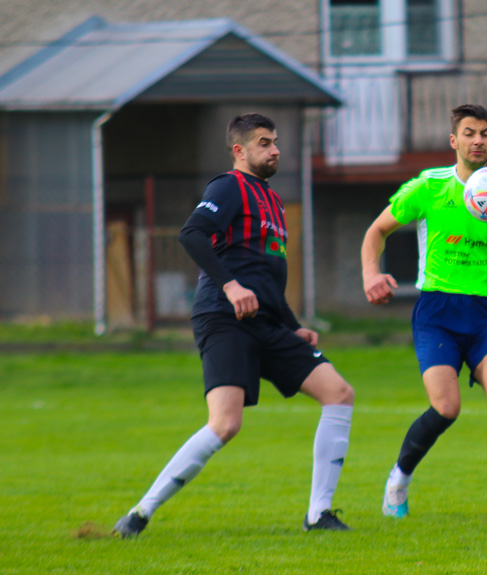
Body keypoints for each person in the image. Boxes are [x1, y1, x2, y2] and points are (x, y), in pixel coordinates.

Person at [113, 113, 354, 537]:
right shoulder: (228, 187)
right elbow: (192, 235)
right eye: (264, 143)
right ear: (239, 151)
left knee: (338, 393)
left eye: (276, 141)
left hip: (267, 321)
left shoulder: (274, 201)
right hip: (223, 316)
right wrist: (230, 286)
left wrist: (293, 324)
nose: (275, 149)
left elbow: (267, 273)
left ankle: (319, 515)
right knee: (225, 424)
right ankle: (139, 515)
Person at [361, 104, 487, 524]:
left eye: (484, 133)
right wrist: (372, 273)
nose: (477, 140)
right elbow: (376, 231)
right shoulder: (429, 187)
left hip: (485, 315)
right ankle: (399, 479)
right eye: (469, 133)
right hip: (437, 311)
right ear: (454, 141)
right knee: (446, 407)